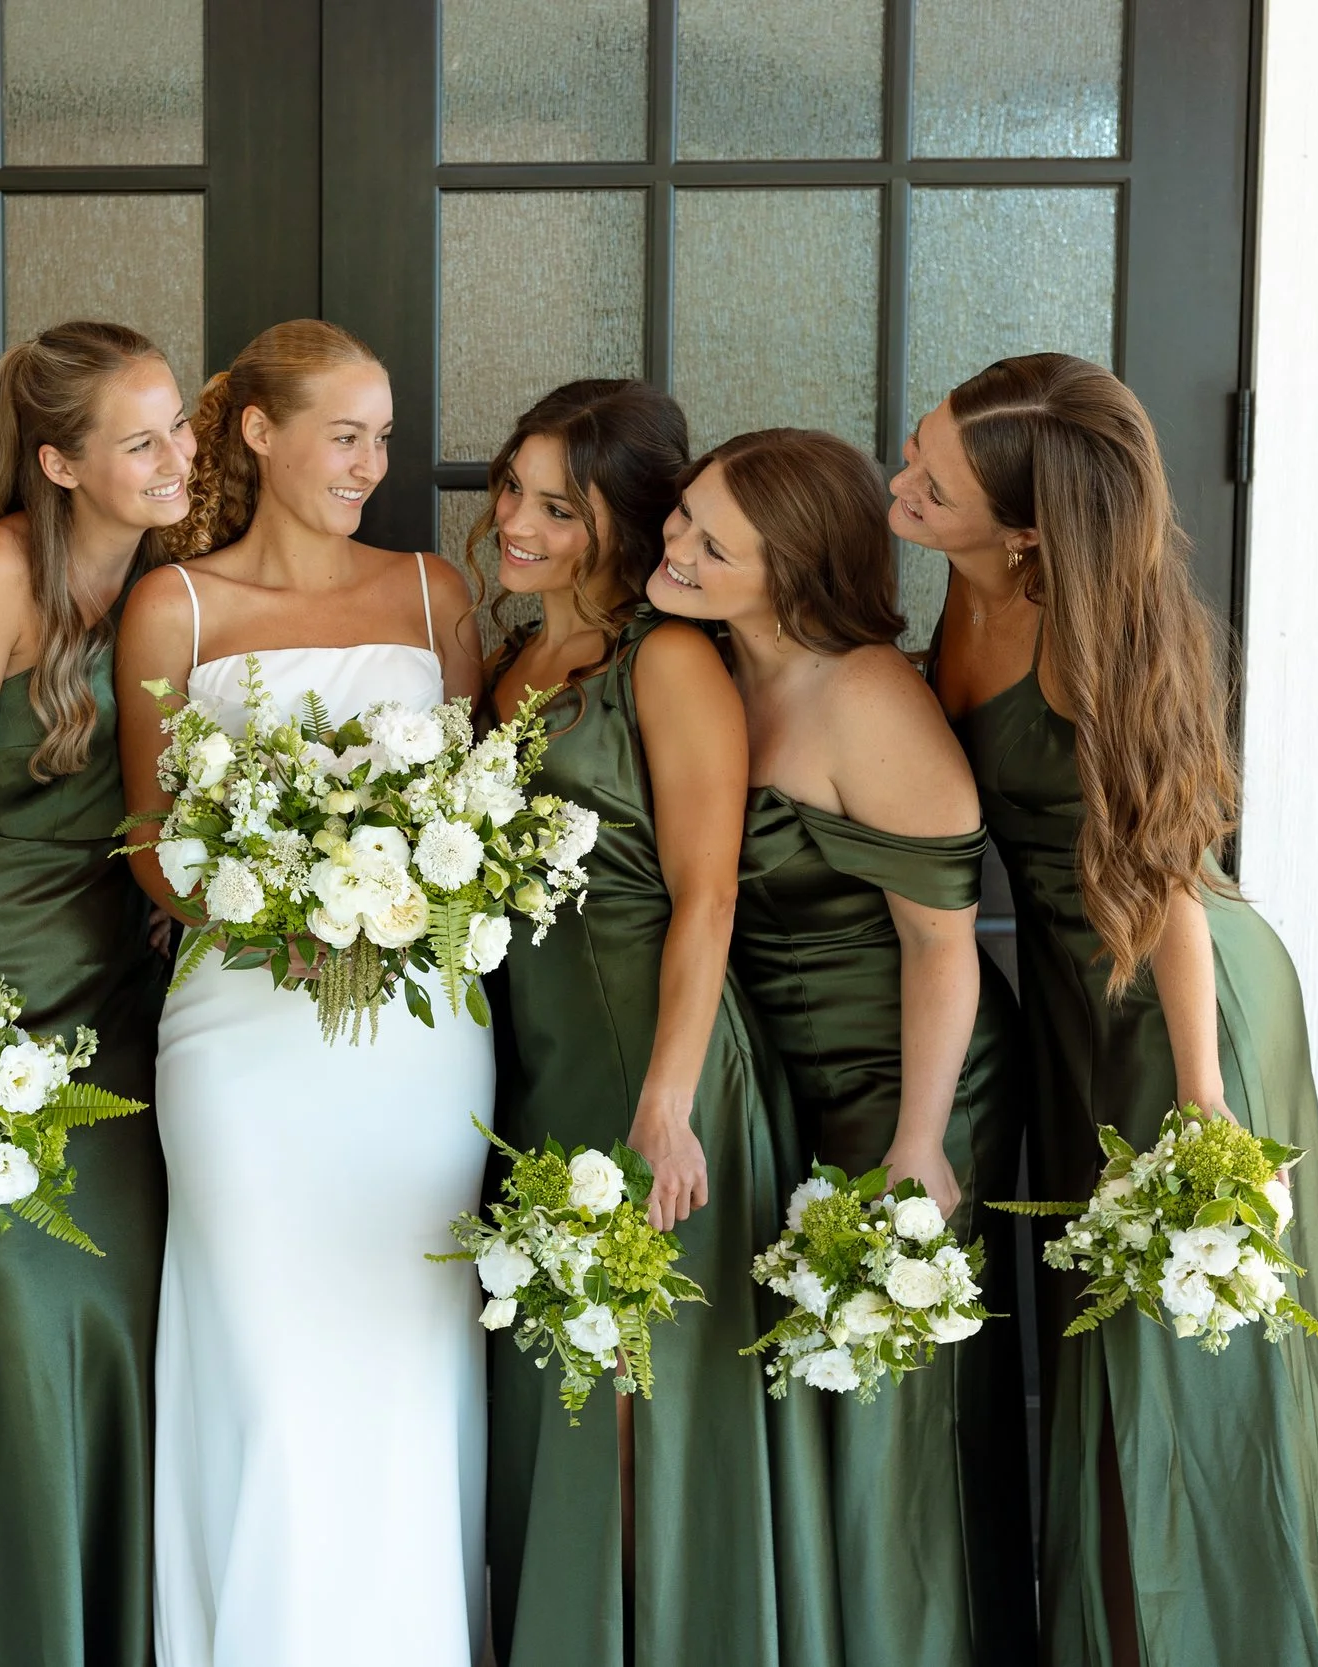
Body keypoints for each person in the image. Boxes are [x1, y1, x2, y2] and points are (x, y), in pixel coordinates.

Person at [895, 352, 1318, 1666]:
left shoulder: (1087, 643)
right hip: (1076, 998)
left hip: (1178, 1000)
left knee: (1180, 1353)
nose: (903, 483)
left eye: (934, 480)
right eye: (918, 448)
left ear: (1026, 530)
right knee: (1103, 1344)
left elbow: (1165, 884)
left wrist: (1205, 1103)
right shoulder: (964, 586)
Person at [117, 318, 493, 1665]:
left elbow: (477, 810)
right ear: (262, 433)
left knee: (404, 1350)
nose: (370, 465)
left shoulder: (432, 593)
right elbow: (151, 840)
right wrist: (276, 903)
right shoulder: (175, 605)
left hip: (414, 1032)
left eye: (382, 438)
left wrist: (387, 898)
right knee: (266, 1358)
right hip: (243, 1032)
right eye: (345, 436)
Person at [656, 425, 1036, 1665]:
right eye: (682, 515)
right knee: (816, 1379)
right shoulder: (715, 664)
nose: (678, 546)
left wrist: (919, 1142)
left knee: (895, 1391)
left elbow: (940, 946)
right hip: (799, 1077)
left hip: (913, 1079)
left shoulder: (865, 697)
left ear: (794, 571)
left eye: (715, 543)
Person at [480, 383, 835, 1667]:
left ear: (620, 526)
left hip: (650, 1057)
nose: (515, 522)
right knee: (559, 1376)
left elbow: (709, 893)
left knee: (637, 1387)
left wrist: (668, 1099)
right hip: (542, 1059)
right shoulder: (510, 661)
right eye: (512, 489)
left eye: (556, 508)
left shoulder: (665, 662)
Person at [0, 320, 188, 1667]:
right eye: (142, 440)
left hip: (122, 1013)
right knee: (16, 1352)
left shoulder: (173, 578)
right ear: (61, 462)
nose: (177, 458)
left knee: (118, 1341)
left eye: (180, 426)